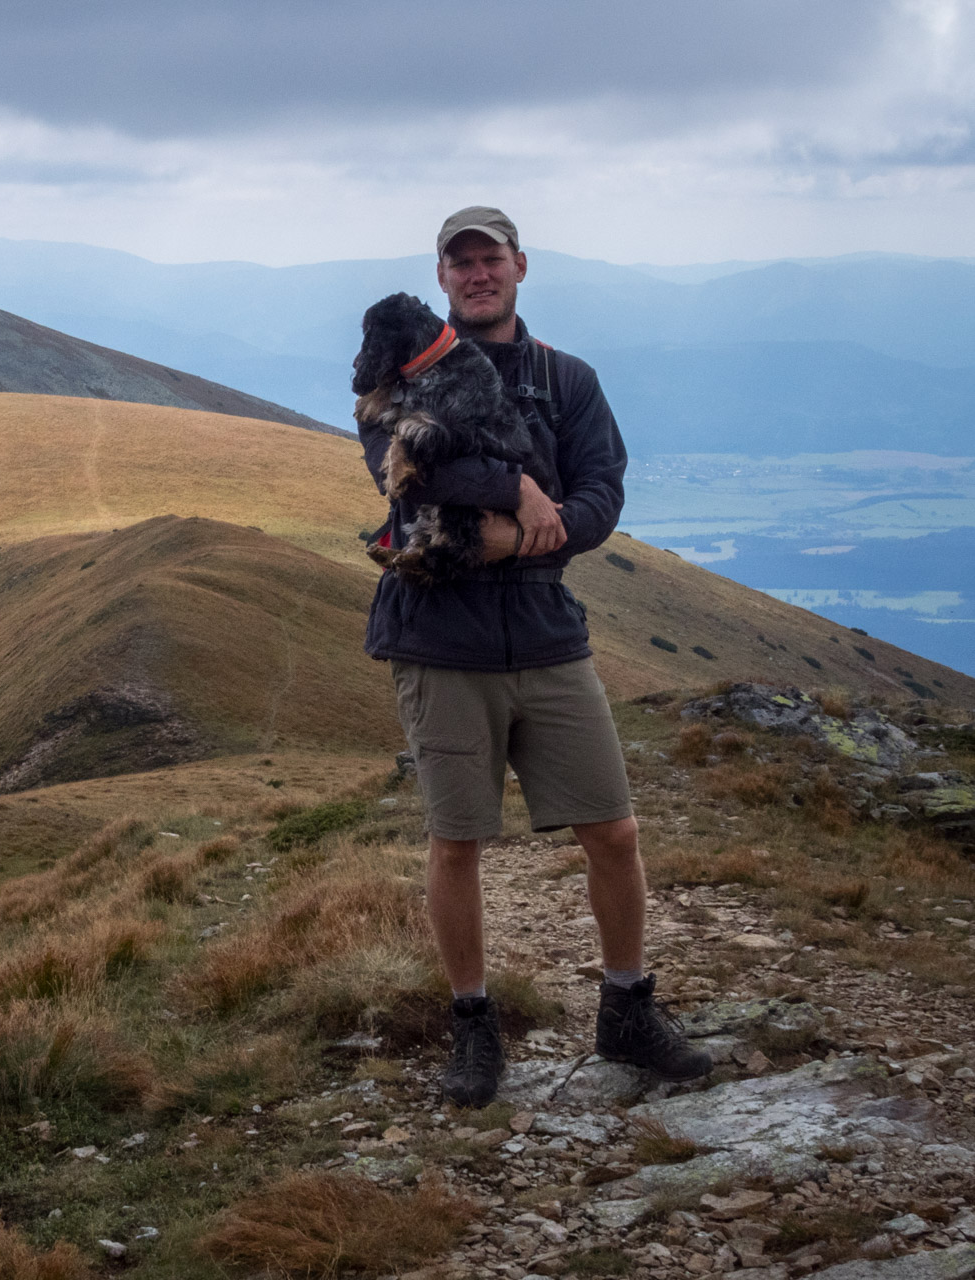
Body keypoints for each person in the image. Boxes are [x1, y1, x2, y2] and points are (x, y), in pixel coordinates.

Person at [356, 206, 711, 1106]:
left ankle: (627, 1009)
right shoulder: (395, 371)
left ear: (521, 267)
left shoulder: (569, 380)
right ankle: (473, 1027)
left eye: (492, 259)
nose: (478, 274)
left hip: (547, 630)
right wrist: (519, 487)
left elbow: (603, 491)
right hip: (439, 636)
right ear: (440, 276)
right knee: (455, 844)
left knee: (614, 830)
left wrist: (522, 540)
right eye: (461, 262)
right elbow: (407, 474)